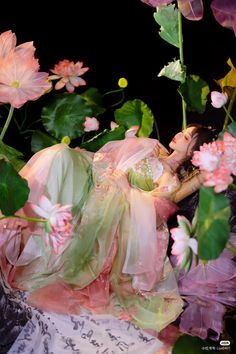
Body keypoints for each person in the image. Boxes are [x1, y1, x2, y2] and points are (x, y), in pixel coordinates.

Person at [0, 123, 217, 336]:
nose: (179, 135)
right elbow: (117, 157)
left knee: (62, 164)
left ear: (193, 152)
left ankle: (33, 244)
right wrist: (130, 140)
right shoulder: (155, 148)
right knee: (59, 154)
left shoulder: (170, 180)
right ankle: (18, 222)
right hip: (96, 177)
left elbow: (154, 209)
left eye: (187, 138)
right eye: (182, 131)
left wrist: (123, 187)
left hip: (112, 203)